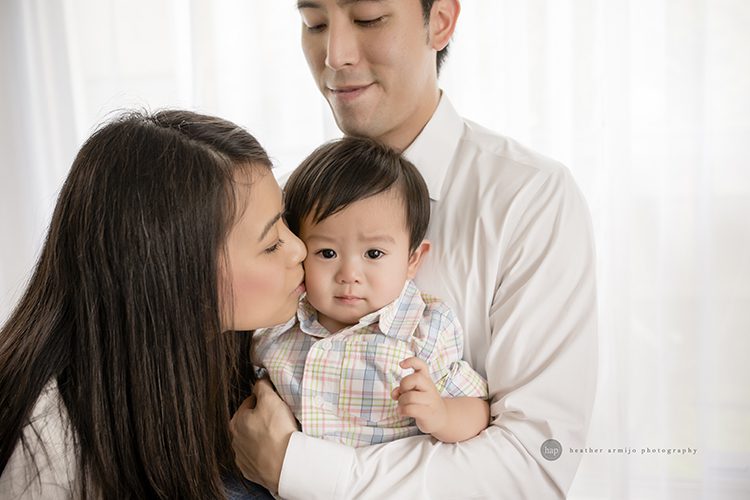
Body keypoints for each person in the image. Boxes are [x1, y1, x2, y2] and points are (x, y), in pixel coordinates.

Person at [230, 0, 598, 498]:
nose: (333, 54)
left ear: (440, 20)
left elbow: (535, 462)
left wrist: (294, 467)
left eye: (367, 19)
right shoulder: (286, 198)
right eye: (313, 23)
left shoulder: (529, 199)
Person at [0, 110, 307, 499]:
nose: (299, 247)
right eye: (271, 244)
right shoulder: (45, 444)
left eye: (286, 222)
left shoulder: (257, 349)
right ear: (177, 274)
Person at [253, 137, 489, 448]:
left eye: (374, 254)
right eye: (326, 253)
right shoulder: (281, 322)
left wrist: (442, 414)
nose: (349, 275)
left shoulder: (424, 331)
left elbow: (478, 408)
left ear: (412, 260)